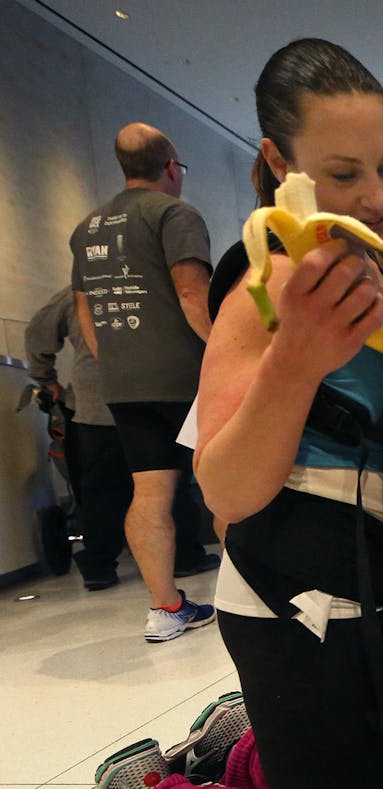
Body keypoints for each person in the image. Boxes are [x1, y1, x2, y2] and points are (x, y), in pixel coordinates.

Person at [68, 38, 383, 789]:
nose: (377, 198)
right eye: (344, 173)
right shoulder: (261, 280)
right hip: (295, 598)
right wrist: (294, 357)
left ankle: (245, 745)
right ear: (278, 164)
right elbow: (224, 491)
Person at [69, 122, 217, 639]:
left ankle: (165, 607)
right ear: (171, 167)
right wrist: (230, 353)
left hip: (126, 384)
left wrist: (117, 360)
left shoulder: (86, 229)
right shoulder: (175, 214)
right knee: (223, 484)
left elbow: (85, 313)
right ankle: (253, 596)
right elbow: (193, 295)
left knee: (148, 491)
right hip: (185, 379)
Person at [25, 287, 220, 591]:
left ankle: (99, 566)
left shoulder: (81, 292)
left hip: (98, 403)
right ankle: (183, 556)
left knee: (100, 488)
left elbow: (38, 332)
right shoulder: (164, 287)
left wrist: (44, 377)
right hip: (160, 397)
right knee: (167, 482)